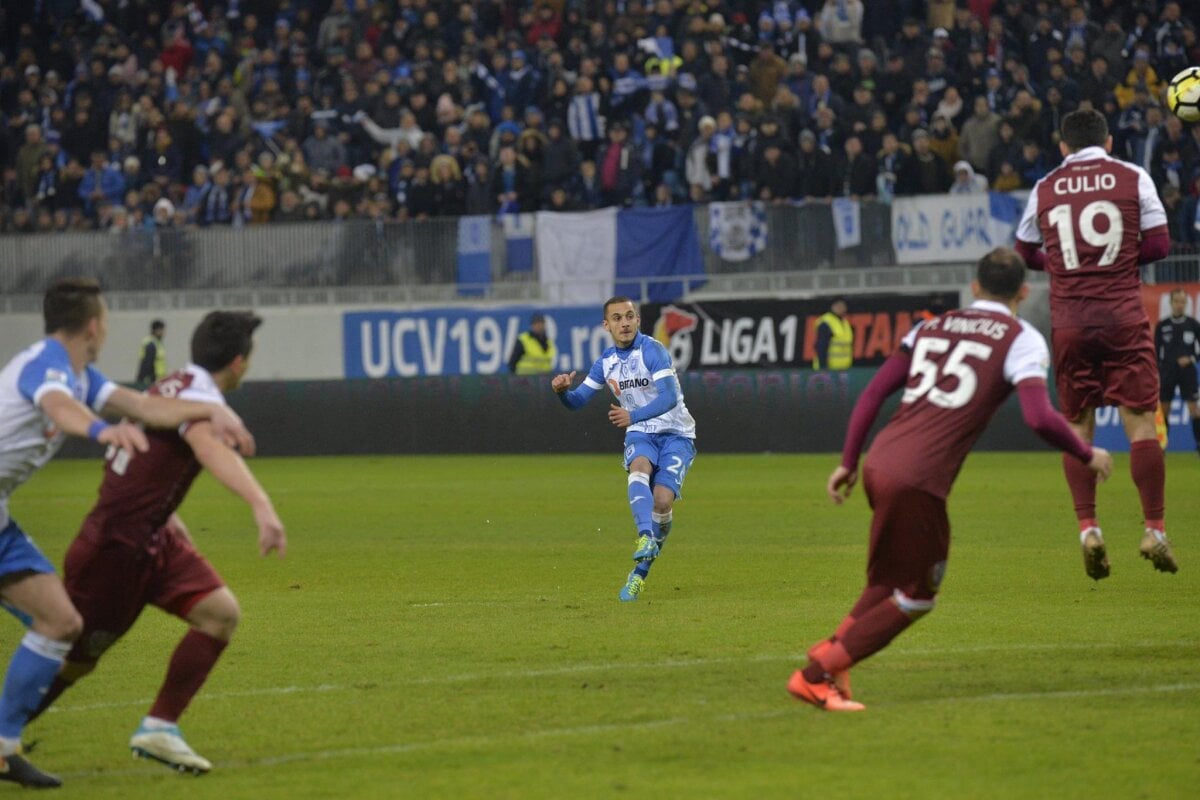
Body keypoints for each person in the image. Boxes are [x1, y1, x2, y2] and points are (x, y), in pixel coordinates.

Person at [791, 248, 1113, 712]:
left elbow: (875, 392)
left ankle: (833, 655)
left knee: (885, 583)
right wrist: (1087, 452)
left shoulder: (929, 326)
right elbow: (1039, 417)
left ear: (975, 287)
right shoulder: (1021, 338)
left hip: (881, 462)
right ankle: (815, 676)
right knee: (919, 595)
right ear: (1023, 291)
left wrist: (848, 461)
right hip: (918, 479)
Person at [0, 279, 254, 788]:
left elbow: (146, 407)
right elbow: (58, 408)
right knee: (58, 623)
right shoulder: (46, 367)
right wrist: (99, 429)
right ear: (95, 325)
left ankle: (3, 747)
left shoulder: (81, 374)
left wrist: (210, 409)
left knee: (61, 622)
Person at [1014, 108, 1175, 580]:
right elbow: (1162, 245)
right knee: (1141, 423)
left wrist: (1066, 265)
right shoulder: (1133, 175)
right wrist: (1120, 260)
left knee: (1078, 427)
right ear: (1107, 143)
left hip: (1070, 324)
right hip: (1122, 317)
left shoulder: (1045, 186)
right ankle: (1155, 530)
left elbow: (1024, 251)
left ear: (1063, 147)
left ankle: (1089, 529)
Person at [551, 297, 696, 602]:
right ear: (607, 325)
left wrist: (632, 415)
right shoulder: (605, 362)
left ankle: (639, 574)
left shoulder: (653, 350)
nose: (625, 323)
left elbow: (669, 397)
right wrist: (563, 393)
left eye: (630, 316)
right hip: (641, 433)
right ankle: (644, 537)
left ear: (638, 320)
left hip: (676, 434)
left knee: (662, 501)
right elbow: (577, 402)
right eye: (617, 318)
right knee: (639, 466)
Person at [1154, 288, 1200, 455]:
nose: (1180, 305)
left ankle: (1199, 445)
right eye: (1177, 301)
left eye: (1183, 302)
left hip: (1187, 372)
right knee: (1164, 409)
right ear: (1171, 303)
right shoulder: (1162, 325)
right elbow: (1155, 351)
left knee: (1194, 409)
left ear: (1186, 303)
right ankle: (1162, 446)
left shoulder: (1193, 324)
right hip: (1167, 372)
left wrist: (1192, 358)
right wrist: (1157, 371)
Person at [813, 299, 853, 370]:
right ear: (832, 306)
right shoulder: (826, 322)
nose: (842, 308)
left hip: (844, 368)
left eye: (843, 306)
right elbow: (822, 346)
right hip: (829, 369)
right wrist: (823, 367)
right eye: (839, 306)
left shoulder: (845, 323)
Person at [136, 319, 167, 387]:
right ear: (157, 330)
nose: (164, 333)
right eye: (162, 330)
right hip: (153, 381)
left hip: (159, 380)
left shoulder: (157, 343)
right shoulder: (151, 344)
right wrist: (142, 381)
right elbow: (148, 364)